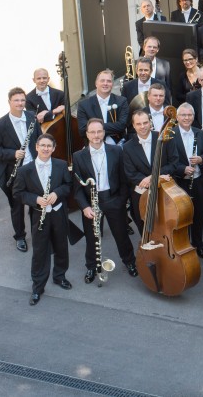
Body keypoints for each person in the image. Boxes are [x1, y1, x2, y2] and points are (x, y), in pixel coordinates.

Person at [72, 119, 138, 283]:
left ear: (104, 132)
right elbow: (77, 188)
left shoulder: (116, 151)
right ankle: (91, 267)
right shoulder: (78, 156)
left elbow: (124, 180)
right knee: (91, 237)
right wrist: (85, 207)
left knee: (121, 234)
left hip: (113, 198)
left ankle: (130, 262)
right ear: (87, 134)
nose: (96, 135)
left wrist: (121, 201)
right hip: (91, 202)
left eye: (99, 131)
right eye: (92, 132)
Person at [13, 133, 73, 305]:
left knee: (62, 247)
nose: (46, 148)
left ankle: (59, 276)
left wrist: (56, 193)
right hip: (39, 215)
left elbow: (68, 186)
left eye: (49, 146)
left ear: (54, 149)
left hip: (58, 213)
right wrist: (35, 200)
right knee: (40, 251)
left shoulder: (61, 165)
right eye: (43, 145)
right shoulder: (25, 170)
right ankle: (38, 287)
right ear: (36, 147)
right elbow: (18, 193)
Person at [0, 86, 42, 247]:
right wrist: (13, 154)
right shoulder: (0, 125)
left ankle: (37, 233)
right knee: (17, 206)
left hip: (33, 168)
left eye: (22, 100)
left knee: (36, 203)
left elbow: (39, 138)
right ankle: (20, 237)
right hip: (15, 171)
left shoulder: (32, 117)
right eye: (16, 100)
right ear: (9, 102)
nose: (20, 103)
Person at [122, 110, 177, 232]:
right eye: (139, 124)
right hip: (141, 192)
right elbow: (131, 173)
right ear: (133, 125)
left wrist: (152, 177)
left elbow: (174, 163)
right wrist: (148, 179)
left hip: (165, 189)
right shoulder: (127, 147)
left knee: (168, 224)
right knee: (143, 226)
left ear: (150, 123)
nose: (142, 126)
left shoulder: (164, 139)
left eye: (145, 122)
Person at [168, 103, 203, 259]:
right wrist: (182, 169)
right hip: (179, 183)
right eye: (183, 115)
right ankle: (182, 246)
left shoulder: (200, 134)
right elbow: (168, 161)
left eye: (189, 115)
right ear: (177, 117)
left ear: (193, 117)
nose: (186, 118)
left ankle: (198, 246)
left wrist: (201, 159)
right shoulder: (170, 134)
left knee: (198, 216)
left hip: (198, 181)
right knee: (180, 217)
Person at [77, 69, 128, 145]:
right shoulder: (84, 105)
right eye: (102, 81)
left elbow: (122, 126)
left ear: (112, 84)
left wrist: (94, 129)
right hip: (93, 145)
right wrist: (112, 128)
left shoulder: (121, 101)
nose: (105, 83)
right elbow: (82, 130)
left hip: (116, 144)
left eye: (109, 81)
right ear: (96, 83)